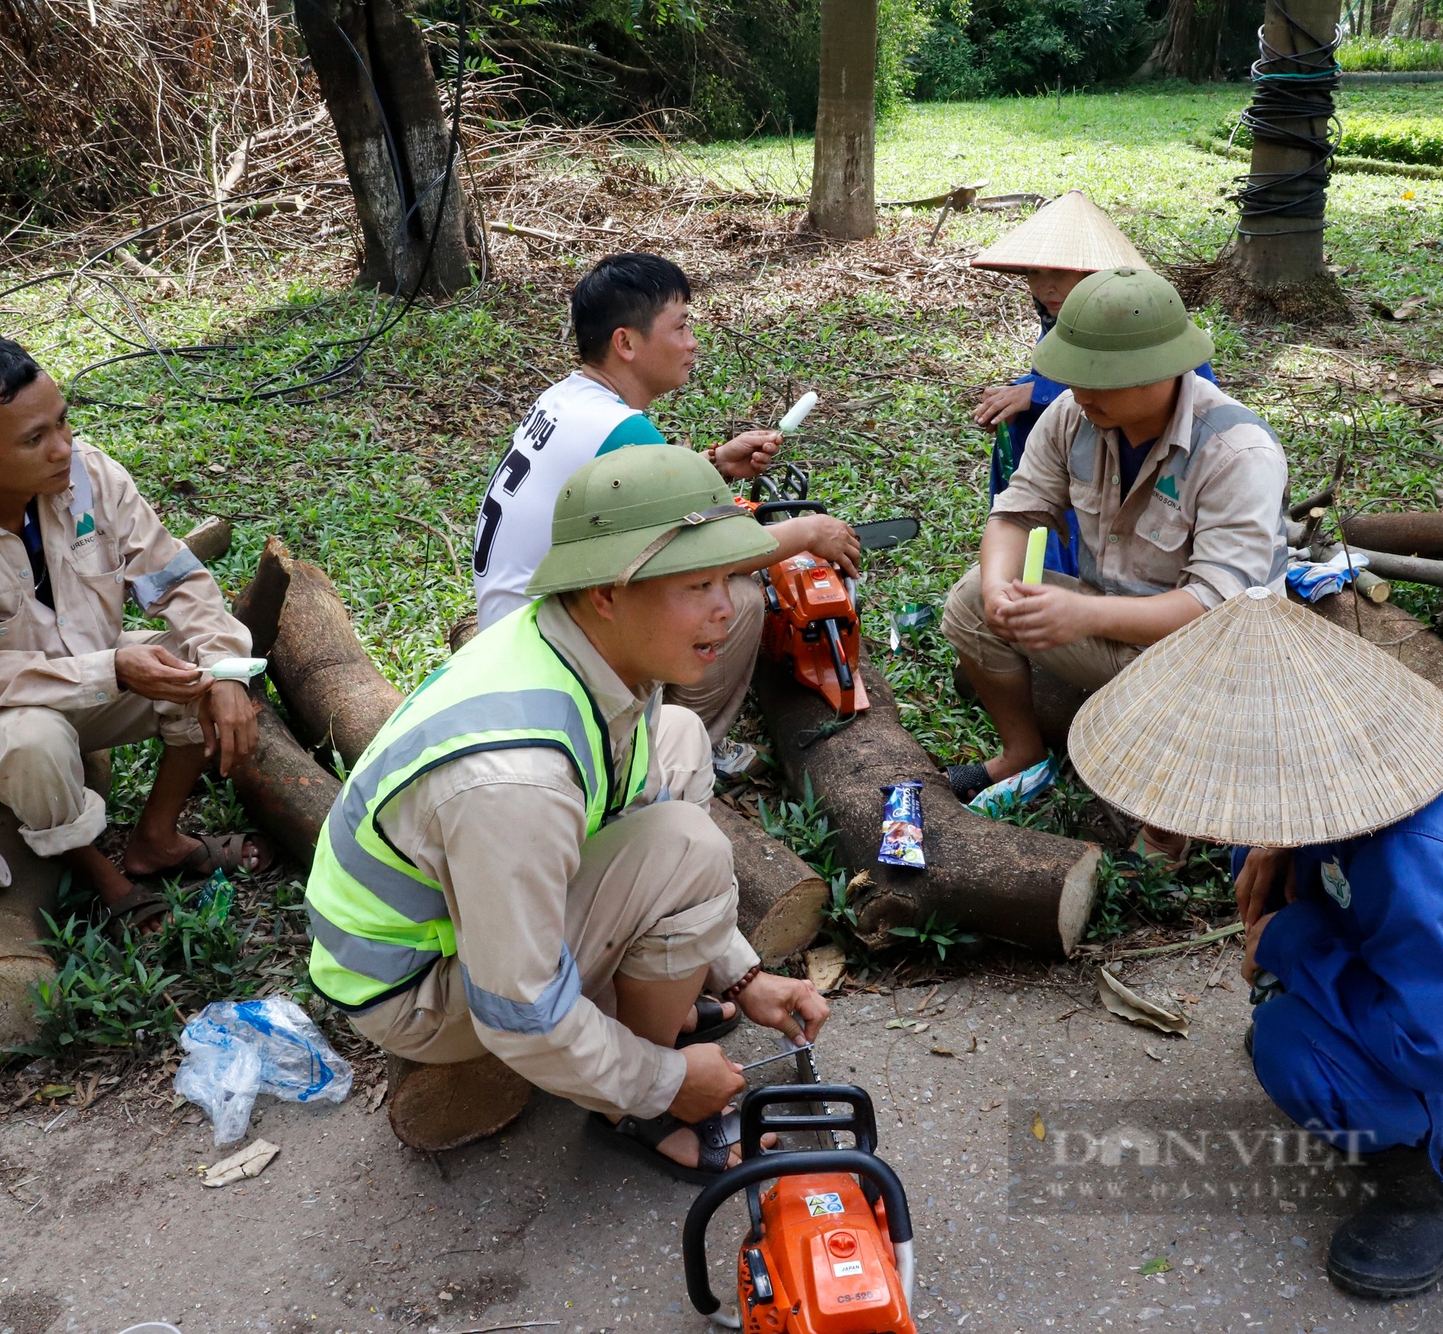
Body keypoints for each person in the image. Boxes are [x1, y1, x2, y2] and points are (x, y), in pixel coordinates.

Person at [1066, 587, 1443, 1301]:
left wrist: (1288, 942)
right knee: (1262, 874)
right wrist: (1280, 852)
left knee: (1292, 1044)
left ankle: (1433, 1187)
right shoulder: (1408, 759)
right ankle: (1380, 1079)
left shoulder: (1415, 863)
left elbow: (1437, 1052)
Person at [309, 445, 831, 1178]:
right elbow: (516, 1009)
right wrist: (667, 1083)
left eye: (730, 578)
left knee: (677, 740)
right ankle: (636, 1111)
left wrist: (739, 974)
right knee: (689, 848)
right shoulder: (516, 780)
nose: (727, 607)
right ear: (607, 593)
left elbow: (637, 794)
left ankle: (649, 998)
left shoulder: (597, 649)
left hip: (473, 921)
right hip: (421, 989)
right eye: (698, 585)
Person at [0, 332, 270, 932]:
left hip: (86, 672)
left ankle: (155, 838)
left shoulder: (91, 475)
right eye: (34, 438)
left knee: (203, 666)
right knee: (36, 739)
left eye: (63, 423)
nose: (63, 449)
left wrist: (226, 672)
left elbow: (178, 581)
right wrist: (112, 669)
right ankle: (101, 873)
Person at [940, 266, 1287, 865]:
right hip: (1117, 632)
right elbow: (1018, 513)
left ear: (1166, 370)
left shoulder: (1237, 453)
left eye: (1103, 379)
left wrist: (1083, 613)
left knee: (1204, 719)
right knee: (972, 600)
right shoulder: (1075, 415)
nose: (1081, 391)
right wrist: (1000, 588)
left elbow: (1217, 607)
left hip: (1220, 662)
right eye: (1074, 375)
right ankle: (1024, 753)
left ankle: (1169, 826)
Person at [470, 252, 861, 778]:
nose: (693, 342)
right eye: (681, 326)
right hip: (551, 652)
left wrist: (718, 464)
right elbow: (722, 552)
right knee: (737, 595)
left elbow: (630, 498)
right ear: (626, 343)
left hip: (512, 625)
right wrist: (814, 530)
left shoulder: (566, 400)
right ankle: (672, 752)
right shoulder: (622, 429)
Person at [968, 191, 1216, 578]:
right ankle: (1043, 564)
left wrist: (1038, 394)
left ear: (1093, 273)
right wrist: (1018, 395)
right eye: (1034, 273)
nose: (1045, 287)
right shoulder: (1060, 320)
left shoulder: (1140, 319)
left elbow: (1166, 392)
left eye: (1059, 273)